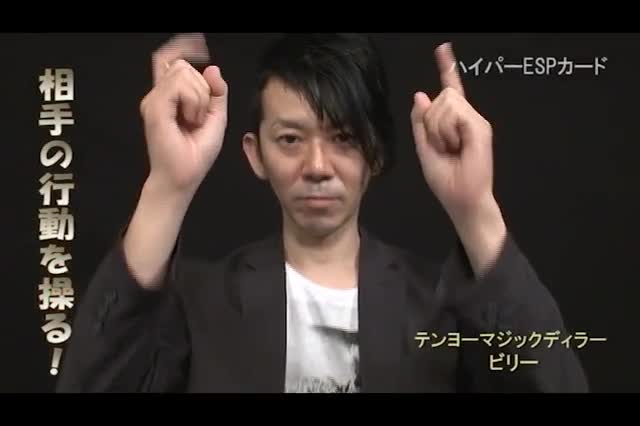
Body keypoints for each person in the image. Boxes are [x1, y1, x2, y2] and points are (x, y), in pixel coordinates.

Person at [55, 33, 588, 393]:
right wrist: (167, 187)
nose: (316, 166)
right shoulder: (201, 302)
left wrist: (475, 210)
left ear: (375, 154)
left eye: (344, 138)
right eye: (290, 139)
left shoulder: (439, 306)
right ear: (255, 154)